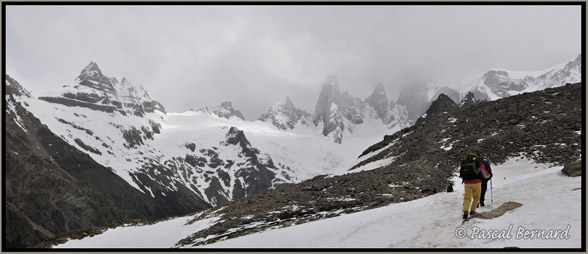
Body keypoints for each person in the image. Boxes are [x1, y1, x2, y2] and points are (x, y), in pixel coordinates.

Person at [460, 152, 491, 220]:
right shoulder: (478, 163)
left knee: (467, 198)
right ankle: (472, 211)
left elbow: (462, 173)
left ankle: (465, 212)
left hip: (467, 183)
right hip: (477, 182)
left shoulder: (465, 162)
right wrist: (489, 176)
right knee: (476, 197)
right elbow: (485, 175)